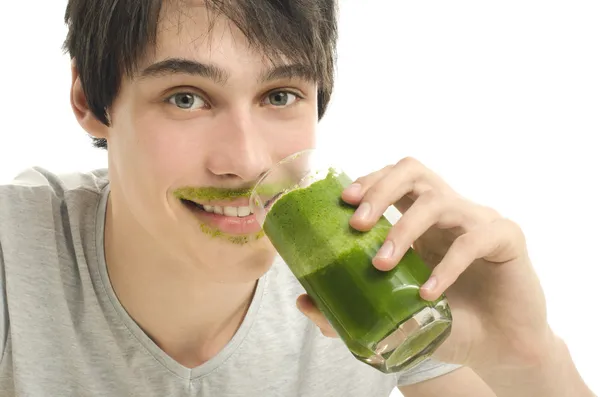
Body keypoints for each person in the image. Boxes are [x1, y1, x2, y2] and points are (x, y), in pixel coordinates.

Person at [0, 1, 594, 396]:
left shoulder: (370, 277)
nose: (248, 160)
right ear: (88, 99)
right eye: (186, 98)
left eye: (279, 95)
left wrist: (525, 353)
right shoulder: (13, 254)